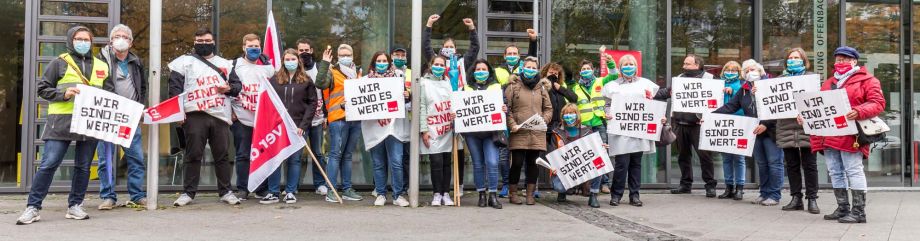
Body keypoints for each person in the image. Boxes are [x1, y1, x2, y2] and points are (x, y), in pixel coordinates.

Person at [17, 26, 109, 225]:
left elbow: (109, 95)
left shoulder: (102, 66)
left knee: (83, 167)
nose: (83, 42)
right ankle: (33, 207)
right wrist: (63, 94)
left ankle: (75, 205)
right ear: (70, 40)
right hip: (61, 122)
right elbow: (42, 88)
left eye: (87, 39)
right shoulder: (59, 63)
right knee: (49, 164)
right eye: (78, 38)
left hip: (89, 123)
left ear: (92, 43)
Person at [807, 46, 884, 223]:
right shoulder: (828, 83)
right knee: (835, 171)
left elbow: (878, 103)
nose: (840, 62)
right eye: (837, 59)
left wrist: (859, 111)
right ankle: (842, 208)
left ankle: (859, 212)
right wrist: (805, 115)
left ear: (854, 61)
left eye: (844, 59)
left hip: (852, 134)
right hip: (829, 134)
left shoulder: (868, 80)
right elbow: (818, 105)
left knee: (853, 170)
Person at [167, 28, 242, 207]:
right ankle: (188, 193)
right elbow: (174, 90)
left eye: (206, 40)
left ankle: (226, 192)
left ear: (213, 42)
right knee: (193, 155)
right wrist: (178, 112)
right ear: (194, 42)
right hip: (194, 115)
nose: (203, 44)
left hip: (220, 116)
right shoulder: (183, 63)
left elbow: (238, 86)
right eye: (199, 41)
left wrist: (229, 89)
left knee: (222, 155)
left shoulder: (226, 64)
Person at [95, 24, 148, 210]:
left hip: (130, 117)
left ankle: (137, 195)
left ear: (131, 42)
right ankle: (108, 196)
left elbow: (142, 87)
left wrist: (141, 106)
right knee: (106, 159)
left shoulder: (136, 62)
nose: (121, 39)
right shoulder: (99, 61)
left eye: (125, 36)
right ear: (111, 40)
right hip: (107, 117)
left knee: (135, 158)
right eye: (117, 36)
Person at [424, 14, 478, 196]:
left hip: (459, 109)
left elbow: (475, 48)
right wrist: (429, 25)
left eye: (451, 47)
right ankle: (441, 191)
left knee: (459, 149)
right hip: (441, 112)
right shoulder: (438, 63)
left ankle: (459, 184)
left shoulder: (463, 63)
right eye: (445, 47)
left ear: (455, 49)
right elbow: (425, 47)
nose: (448, 49)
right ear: (442, 50)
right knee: (442, 153)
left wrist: (472, 29)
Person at [603, 54, 663, 207]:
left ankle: (634, 195)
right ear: (620, 68)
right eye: (625, 64)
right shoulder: (613, 85)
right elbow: (607, 104)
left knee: (636, 163)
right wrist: (607, 113)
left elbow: (652, 104)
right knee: (621, 164)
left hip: (639, 130)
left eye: (631, 64)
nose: (628, 67)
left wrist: (659, 117)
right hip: (621, 130)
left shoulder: (645, 84)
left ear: (636, 66)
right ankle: (616, 195)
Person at [265, 49, 318, 204]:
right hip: (278, 126)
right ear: (283, 61)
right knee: (276, 159)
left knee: (294, 160)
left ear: (298, 61)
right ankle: (273, 192)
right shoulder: (274, 80)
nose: (290, 61)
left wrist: (304, 125)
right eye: (287, 59)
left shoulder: (306, 80)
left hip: (298, 126)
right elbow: (268, 102)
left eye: (293, 59)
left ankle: (290, 191)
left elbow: (312, 103)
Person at [315, 44, 364, 202]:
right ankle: (331, 190)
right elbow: (320, 83)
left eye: (347, 54)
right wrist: (324, 63)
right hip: (337, 119)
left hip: (355, 119)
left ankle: (347, 189)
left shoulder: (359, 73)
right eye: (342, 54)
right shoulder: (332, 72)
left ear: (352, 56)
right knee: (335, 154)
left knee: (348, 155)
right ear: (337, 56)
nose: (345, 57)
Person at [230, 34, 275, 201]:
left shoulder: (269, 69)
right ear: (243, 47)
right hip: (242, 118)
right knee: (243, 155)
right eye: (250, 46)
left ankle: (261, 188)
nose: (254, 49)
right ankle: (243, 188)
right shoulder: (234, 66)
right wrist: (230, 113)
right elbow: (228, 90)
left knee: (262, 154)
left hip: (263, 120)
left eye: (257, 46)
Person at [733, 59, 785, 206]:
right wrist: (711, 117)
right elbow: (731, 106)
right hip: (755, 132)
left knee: (774, 163)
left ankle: (774, 195)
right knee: (762, 164)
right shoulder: (744, 89)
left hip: (772, 131)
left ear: (761, 71)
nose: (751, 73)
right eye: (747, 71)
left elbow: (778, 108)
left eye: (753, 69)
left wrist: (766, 124)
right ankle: (764, 193)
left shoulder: (771, 84)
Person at [362, 51, 411, 207]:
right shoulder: (364, 81)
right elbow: (361, 103)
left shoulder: (398, 79)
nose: (382, 63)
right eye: (379, 60)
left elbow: (404, 102)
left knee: (396, 161)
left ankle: (398, 195)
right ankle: (381, 193)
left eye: (384, 60)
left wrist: (407, 95)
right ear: (374, 63)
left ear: (389, 63)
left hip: (393, 127)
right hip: (375, 127)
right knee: (378, 162)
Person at [570, 46, 619, 194]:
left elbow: (614, 75)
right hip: (584, 125)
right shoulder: (575, 88)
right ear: (580, 72)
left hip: (598, 123)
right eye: (583, 69)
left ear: (593, 70)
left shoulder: (599, 82)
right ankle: (586, 185)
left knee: (603, 153)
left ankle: (604, 183)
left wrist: (610, 62)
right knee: (586, 154)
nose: (586, 70)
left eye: (588, 68)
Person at [668, 54, 718, 197]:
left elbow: (717, 99)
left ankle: (710, 185)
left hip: (699, 125)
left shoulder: (710, 79)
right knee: (683, 156)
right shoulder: (680, 78)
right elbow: (669, 92)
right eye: (684, 64)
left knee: (705, 156)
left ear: (697, 65)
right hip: (680, 123)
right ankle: (685, 184)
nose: (684, 66)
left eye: (687, 64)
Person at [776, 48, 820, 214]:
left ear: (803, 60)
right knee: (792, 165)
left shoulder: (811, 79)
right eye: (790, 57)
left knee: (810, 165)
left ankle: (812, 199)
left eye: (796, 57)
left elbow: (817, 101)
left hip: (807, 128)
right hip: (786, 128)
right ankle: (796, 198)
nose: (793, 60)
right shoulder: (779, 80)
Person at [505, 56, 553, 206]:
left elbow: (548, 108)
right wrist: (512, 124)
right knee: (517, 162)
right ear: (522, 68)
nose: (530, 70)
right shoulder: (513, 86)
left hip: (537, 132)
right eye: (528, 67)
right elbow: (507, 108)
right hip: (518, 130)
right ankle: (513, 193)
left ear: (537, 70)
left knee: (533, 163)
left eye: (533, 68)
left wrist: (543, 120)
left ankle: (530, 194)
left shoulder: (542, 87)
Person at [463, 59, 504, 209]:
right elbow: (460, 107)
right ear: (473, 72)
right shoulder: (465, 88)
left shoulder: (497, 87)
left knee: (492, 162)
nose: (481, 72)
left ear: (489, 71)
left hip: (491, 133)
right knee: (478, 164)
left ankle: (492, 195)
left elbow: (504, 104)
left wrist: (504, 108)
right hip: (472, 133)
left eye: (484, 69)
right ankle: (481, 194)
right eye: (478, 69)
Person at [549, 104, 604, 208]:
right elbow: (553, 153)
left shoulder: (587, 130)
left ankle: (593, 195)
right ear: (562, 116)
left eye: (571, 113)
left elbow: (594, 150)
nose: (569, 116)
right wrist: (554, 167)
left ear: (577, 115)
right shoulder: (556, 132)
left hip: (584, 169)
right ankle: (562, 192)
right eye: (566, 114)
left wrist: (601, 148)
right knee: (558, 187)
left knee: (599, 162)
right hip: (566, 169)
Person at [419, 55, 457, 206]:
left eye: (442, 65)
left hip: (447, 127)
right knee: (436, 161)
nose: (439, 67)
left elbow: (454, 101)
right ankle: (436, 193)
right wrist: (424, 130)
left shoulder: (448, 82)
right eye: (437, 64)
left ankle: (446, 193)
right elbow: (422, 106)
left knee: (447, 162)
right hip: (432, 128)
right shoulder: (424, 83)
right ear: (431, 65)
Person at [296, 38, 329, 196]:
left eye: (306, 50)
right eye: (301, 50)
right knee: (296, 154)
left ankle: (320, 184)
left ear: (312, 50)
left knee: (318, 153)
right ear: (297, 52)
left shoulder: (318, 68)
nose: (304, 53)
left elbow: (325, 92)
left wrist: (326, 116)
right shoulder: (294, 70)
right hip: (299, 122)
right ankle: (293, 185)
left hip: (317, 119)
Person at [716, 61, 745, 201]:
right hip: (722, 124)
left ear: (739, 72)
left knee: (739, 157)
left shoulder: (742, 85)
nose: (730, 71)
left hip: (739, 123)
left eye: (734, 70)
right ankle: (728, 187)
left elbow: (742, 104)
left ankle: (740, 187)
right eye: (728, 69)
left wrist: (733, 92)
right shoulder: (718, 84)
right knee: (726, 158)